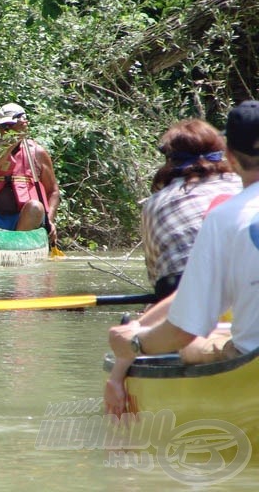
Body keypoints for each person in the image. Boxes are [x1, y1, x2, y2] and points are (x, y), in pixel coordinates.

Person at [105, 100, 259, 418]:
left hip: (192, 303)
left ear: (231, 157)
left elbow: (180, 321)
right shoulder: (228, 199)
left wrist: (133, 343)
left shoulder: (221, 217)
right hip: (207, 297)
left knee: (193, 342)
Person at [141, 119, 243, 299]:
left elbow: (156, 277)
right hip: (245, 286)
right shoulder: (244, 186)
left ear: (170, 159)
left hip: (184, 295)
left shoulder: (155, 203)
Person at [0, 103, 60, 244]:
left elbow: (53, 191)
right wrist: (9, 144)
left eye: (11, 125)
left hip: (23, 219)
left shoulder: (38, 152)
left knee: (36, 207)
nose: (7, 130)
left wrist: (50, 220)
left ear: (24, 124)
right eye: (4, 126)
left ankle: (18, 244)